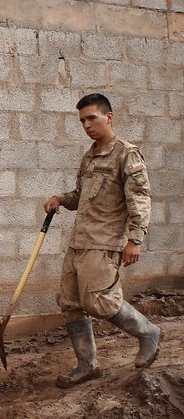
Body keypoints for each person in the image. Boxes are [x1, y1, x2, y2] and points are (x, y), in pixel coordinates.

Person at [44, 93, 159, 389]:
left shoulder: (126, 154)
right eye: (82, 120)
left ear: (109, 117)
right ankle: (87, 364)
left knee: (100, 303)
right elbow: (82, 196)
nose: (86, 125)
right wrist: (61, 199)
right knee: (70, 303)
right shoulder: (91, 155)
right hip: (79, 242)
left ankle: (147, 332)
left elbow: (140, 199)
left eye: (91, 118)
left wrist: (135, 239)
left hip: (104, 242)